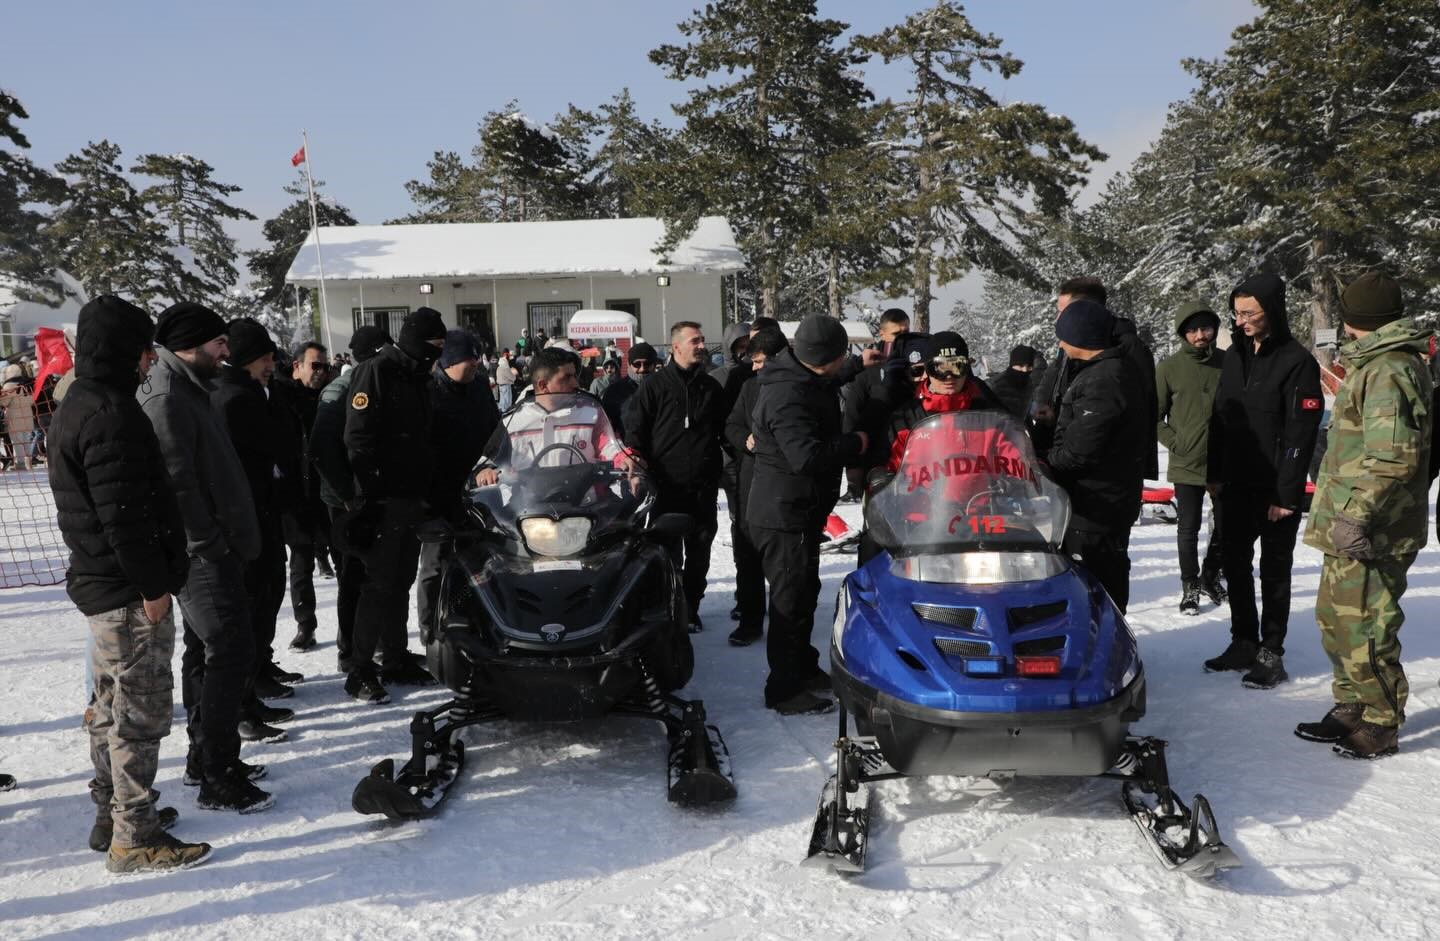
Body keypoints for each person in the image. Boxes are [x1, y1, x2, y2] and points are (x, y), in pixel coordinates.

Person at [48, 295, 211, 873]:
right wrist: (153, 587)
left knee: (109, 707)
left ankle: (112, 813)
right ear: (126, 350)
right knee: (137, 717)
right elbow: (125, 515)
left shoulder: (80, 402)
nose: (149, 362)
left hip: (102, 586)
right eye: (144, 350)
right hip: (126, 592)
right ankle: (134, 835)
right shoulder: (111, 412)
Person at [138, 302, 272, 814]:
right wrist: (210, 543)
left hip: (210, 550)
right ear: (190, 344)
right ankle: (217, 771)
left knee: (208, 651)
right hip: (201, 556)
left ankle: (205, 759)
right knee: (230, 650)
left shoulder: (190, 388)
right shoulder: (168, 396)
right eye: (219, 343)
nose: (226, 352)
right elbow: (177, 485)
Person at [1299, 272, 1431, 758]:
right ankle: (1351, 703)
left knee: (1367, 629)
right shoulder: (1373, 364)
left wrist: (1355, 516)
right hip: (1348, 522)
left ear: (1356, 320)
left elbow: (1394, 457)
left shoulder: (1390, 369)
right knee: (1336, 622)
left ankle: (1380, 720)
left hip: (1373, 527)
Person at [1205, 273, 1322, 688]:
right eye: (1236, 313)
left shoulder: (1297, 362)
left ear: (1271, 310)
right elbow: (1220, 418)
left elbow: (1300, 435)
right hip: (1234, 484)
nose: (1241, 321)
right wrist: (1213, 472)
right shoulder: (1234, 357)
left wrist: (1287, 494)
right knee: (1235, 565)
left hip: (1275, 490)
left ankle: (1271, 650)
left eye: (1250, 312)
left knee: (1274, 573)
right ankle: (1243, 640)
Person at [750, 315, 868, 715]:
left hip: (799, 511)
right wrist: (855, 443)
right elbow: (807, 457)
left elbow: (824, 381)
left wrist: (857, 367)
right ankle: (783, 689)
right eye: (843, 355)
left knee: (803, 595)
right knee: (788, 603)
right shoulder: (787, 395)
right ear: (828, 357)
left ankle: (802, 667)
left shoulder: (799, 375)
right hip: (783, 514)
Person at [342, 308, 447, 703]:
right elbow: (359, 439)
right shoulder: (377, 372)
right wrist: (370, 496)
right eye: (433, 346)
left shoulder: (418, 375)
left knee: (400, 580)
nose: (437, 354)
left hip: (410, 498)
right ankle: (359, 668)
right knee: (378, 584)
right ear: (418, 342)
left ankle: (396, 657)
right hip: (383, 499)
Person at [209, 319, 300, 744]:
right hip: (245, 526)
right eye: (266, 358)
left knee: (263, 608)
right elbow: (272, 448)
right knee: (248, 615)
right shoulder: (234, 400)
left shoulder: (254, 393)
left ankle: (253, 691)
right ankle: (241, 708)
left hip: (263, 518)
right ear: (247, 360)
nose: (272, 365)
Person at [1043, 300, 1146, 614]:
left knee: (1097, 590)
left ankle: (1104, 654)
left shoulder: (1104, 379)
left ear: (1082, 337)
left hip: (1097, 505)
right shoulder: (1103, 372)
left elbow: (1082, 449)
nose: (1060, 343)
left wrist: (1045, 465)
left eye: (1064, 335)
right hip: (1101, 499)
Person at [625, 322, 726, 633]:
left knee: (700, 551)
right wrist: (635, 465)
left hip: (703, 486)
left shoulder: (710, 387)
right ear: (676, 348)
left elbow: (726, 430)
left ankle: (691, 607)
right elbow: (635, 433)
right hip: (667, 486)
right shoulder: (654, 386)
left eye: (702, 340)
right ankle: (669, 606)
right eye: (694, 341)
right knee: (668, 552)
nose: (701, 345)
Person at [307, 326, 390, 668]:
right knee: (352, 577)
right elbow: (322, 449)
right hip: (345, 501)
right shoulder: (339, 391)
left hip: (374, 495)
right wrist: (347, 495)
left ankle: (378, 644)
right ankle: (350, 652)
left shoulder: (381, 383)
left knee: (378, 575)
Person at [418, 331, 501, 638]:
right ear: (450, 360)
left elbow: (496, 431)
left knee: (480, 561)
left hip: (478, 491)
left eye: (478, 356)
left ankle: (476, 623)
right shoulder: (428, 391)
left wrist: (491, 462)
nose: (478, 363)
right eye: (471, 357)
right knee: (435, 565)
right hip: (438, 493)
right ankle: (430, 630)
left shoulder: (479, 386)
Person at [1032, 278, 1156, 476]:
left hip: (1104, 470)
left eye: (1063, 312)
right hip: (1069, 449)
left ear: (1085, 311)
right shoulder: (1074, 340)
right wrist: (1050, 408)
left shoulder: (1123, 350)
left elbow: (1133, 410)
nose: (1058, 319)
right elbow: (1055, 377)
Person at [1155, 301, 1228, 615]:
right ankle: (1189, 587)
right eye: (1193, 329)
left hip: (1224, 460)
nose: (1201, 335)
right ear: (1183, 333)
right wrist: (1176, 443)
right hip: (1186, 462)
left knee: (1226, 524)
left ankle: (1210, 576)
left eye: (1206, 328)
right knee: (1188, 528)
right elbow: (1154, 417)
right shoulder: (1169, 368)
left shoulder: (1230, 362)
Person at [724, 326, 788, 646]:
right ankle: (750, 621)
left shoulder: (797, 389)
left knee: (781, 564)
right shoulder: (749, 387)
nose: (754, 366)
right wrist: (744, 439)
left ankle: (786, 625)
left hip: (783, 488)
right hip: (750, 483)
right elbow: (732, 425)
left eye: (760, 360)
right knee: (747, 556)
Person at [277, 342, 333, 655]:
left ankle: (353, 638)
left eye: (325, 366)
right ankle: (305, 625)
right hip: (297, 493)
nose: (321, 372)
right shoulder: (283, 396)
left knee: (345, 560)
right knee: (301, 564)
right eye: (316, 365)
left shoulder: (330, 397)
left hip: (328, 493)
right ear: (298, 365)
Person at [840, 308, 912, 500]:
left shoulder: (916, 366)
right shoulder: (868, 368)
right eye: (897, 334)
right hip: (875, 464)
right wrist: (854, 473)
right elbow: (852, 418)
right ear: (882, 334)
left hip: (914, 460)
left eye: (906, 333)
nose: (902, 339)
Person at [600, 342, 656, 441]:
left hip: (660, 452)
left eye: (647, 364)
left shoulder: (665, 388)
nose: (642, 369)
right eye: (637, 364)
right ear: (629, 364)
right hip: (627, 452)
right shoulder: (614, 391)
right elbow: (606, 431)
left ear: (654, 365)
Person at [989, 344, 1038, 421]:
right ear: (1012, 365)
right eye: (1021, 366)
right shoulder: (994, 385)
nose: (1025, 370)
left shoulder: (1029, 384)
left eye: (1029, 367)